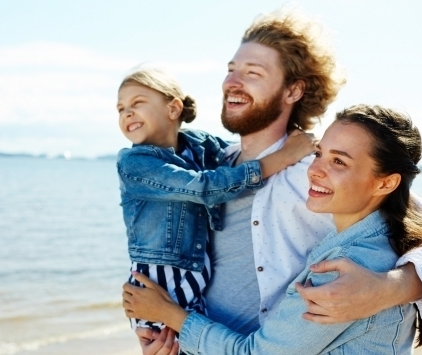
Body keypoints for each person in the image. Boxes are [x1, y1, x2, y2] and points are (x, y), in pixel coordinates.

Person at [124, 7, 422, 355]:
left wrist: (386, 289)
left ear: (293, 91)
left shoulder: (319, 171)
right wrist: (161, 331)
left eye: (253, 73)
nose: (232, 81)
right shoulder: (213, 166)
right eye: (231, 69)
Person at [124, 104, 422, 354]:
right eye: (318, 154)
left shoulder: (347, 270)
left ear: (386, 183)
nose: (315, 171)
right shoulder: (368, 239)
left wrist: (169, 314)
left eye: (339, 162)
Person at [116, 67, 315, 333]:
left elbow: (246, 151)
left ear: (173, 109)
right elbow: (206, 187)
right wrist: (284, 157)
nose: (127, 113)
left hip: (198, 281)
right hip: (161, 283)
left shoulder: (200, 144)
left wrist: (293, 140)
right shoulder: (135, 162)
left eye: (137, 103)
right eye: (120, 109)